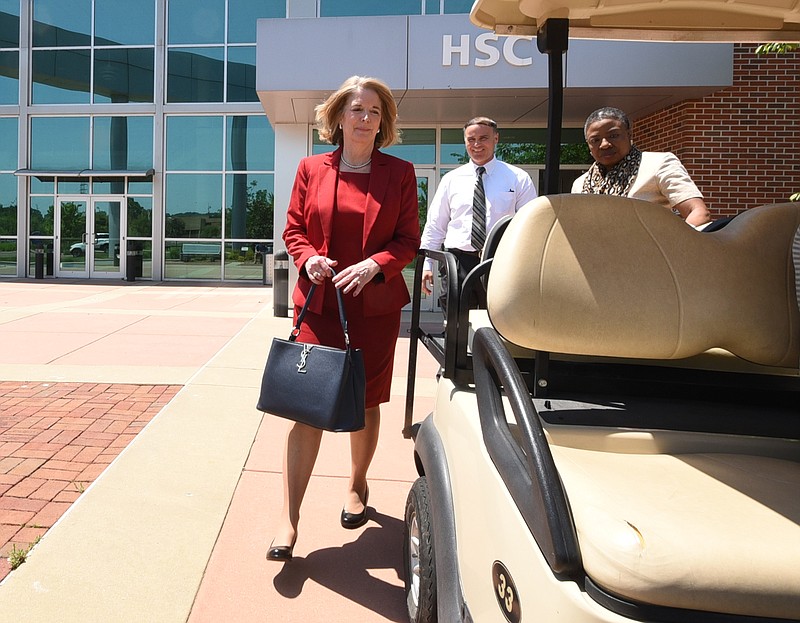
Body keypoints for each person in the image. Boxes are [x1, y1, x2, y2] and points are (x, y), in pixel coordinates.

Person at [267, 76, 420, 563]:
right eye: (356, 109)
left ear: (384, 122)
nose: (365, 118)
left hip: (373, 308)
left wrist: (375, 264)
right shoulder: (311, 168)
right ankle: (289, 519)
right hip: (319, 306)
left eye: (375, 111)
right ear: (338, 116)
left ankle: (357, 485)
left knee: (366, 401)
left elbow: (406, 241)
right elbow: (294, 228)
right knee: (305, 406)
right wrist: (308, 256)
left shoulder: (399, 173)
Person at [420, 117, 537, 306]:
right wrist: (427, 264)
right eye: (471, 139)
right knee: (455, 326)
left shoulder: (518, 178)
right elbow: (436, 225)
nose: (476, 144)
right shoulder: (451, 179)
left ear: (496, 139)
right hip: (457, 263)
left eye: (483, 138)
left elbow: (531, 227)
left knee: (497, 326)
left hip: (500, 262)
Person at [572, 107, 713, 228]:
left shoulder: (658, 164)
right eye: (595, 140)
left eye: (613, 135)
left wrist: (673, 250)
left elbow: (698, 212)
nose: (604, 144)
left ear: (629, 135)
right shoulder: (580, 185)